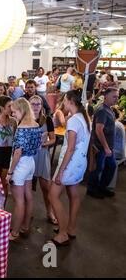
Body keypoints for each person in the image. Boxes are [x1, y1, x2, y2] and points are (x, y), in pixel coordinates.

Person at [48, 90, 91, 246]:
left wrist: (60, 171)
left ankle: (63, 232)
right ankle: (71, 228)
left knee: (53, 196)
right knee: (74, 195)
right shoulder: (84, 118)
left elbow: (70, 148)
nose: (63, 103)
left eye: (64, 100)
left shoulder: (73, 121)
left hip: (70, 164)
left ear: (71, 101)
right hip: (80, 163)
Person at [7, 98, 42, 241]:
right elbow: (39, 146)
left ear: (21, 110)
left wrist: (10, 172)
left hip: (20, 165)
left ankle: (14, 232)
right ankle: (25, 227)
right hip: (31, 162)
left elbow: (17, 152)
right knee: (28, 197)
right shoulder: (35, 124)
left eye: (14, 112)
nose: (13, 115)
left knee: (19, 201)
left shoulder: (22, 128)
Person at [87, 87, 119, 198]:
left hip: (108, 147)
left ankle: (101, 187)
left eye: (117, 96)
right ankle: (92, 189)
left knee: (111, 167)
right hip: (101, 146)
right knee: (97, 168)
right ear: (105, 97)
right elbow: (98, 130)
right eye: (114, 96)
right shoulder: (102, 110)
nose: (116, 99)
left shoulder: (108, 109)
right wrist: (105, 147)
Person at [29, 95, 57, 225]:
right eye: (33, 104)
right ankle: (28, 212)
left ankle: (49, 212)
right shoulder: (25, 119)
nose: (35, 106)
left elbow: (53, 139)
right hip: (28, 156)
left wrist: (43, 143)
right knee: (28, 188)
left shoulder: (48, 120)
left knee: (46, 187)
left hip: (42, 154)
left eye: (38, 104)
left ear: (41, 106)